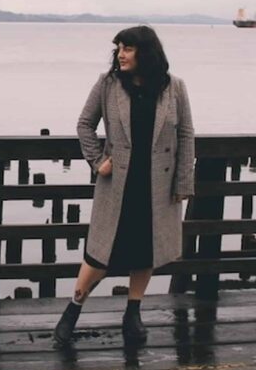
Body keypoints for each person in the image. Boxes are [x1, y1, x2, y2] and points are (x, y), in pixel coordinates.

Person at [54, 25, 195, 345]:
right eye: (118, 48)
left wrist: (184, 181)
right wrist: (96, 161)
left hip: (157, 185)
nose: (121, 54)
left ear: (147, 52)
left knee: (146, 250)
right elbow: (84, 124)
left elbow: (186, 134)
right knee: (98, 255)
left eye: (128, 48)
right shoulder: (108, 85)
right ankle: (72, 310)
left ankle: (133, 312)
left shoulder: (174, 87)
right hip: (119, 183)